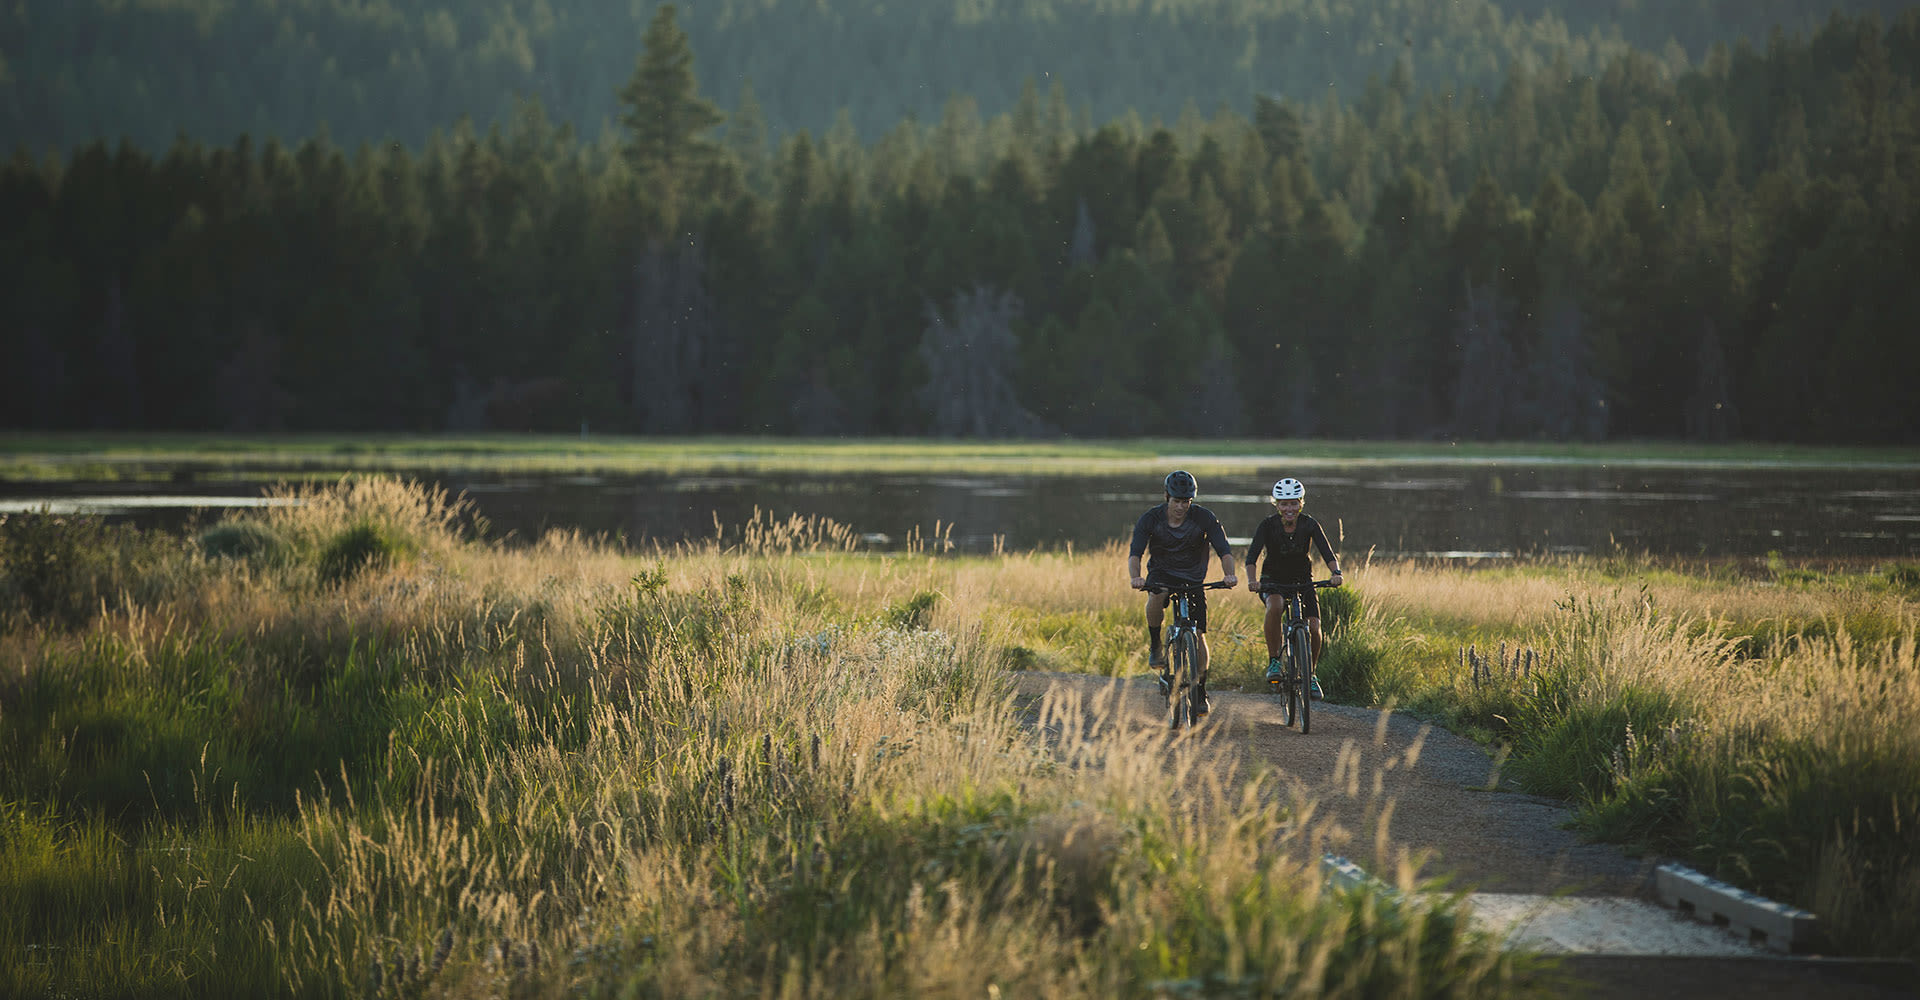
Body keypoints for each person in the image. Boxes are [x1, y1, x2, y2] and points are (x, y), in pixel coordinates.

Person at [1128, 470, 1238, 714]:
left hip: (1193, 577)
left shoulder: (1204, 517)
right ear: (1167, 497)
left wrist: (1229, 574)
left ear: (1192, 500)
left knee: (1198, 634)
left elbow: (1224, 549)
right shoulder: (1151, 518)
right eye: (1177, 501)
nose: (1181, 507)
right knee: (1156, 594)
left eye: (1186, 502)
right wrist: (1136, 577)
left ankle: (1200, 689)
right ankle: (1156, 643)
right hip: (1161, 573)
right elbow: (1135, 551)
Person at [1244, 477, 1342, 699]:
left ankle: (1312, 675)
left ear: (1301, 503)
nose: (1289, 508)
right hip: (1273, 580)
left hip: (1303, 580)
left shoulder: (1310, 524)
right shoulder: (1267, 526)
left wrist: (1336, 573)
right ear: (1276, 505)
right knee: (1275, 605)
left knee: (1315, 627)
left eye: (1294, 503)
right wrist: (1252, 580)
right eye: (1284, 504)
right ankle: (1274, 662)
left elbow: (1327, 553)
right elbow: (1251, 557)